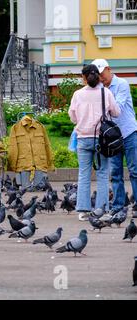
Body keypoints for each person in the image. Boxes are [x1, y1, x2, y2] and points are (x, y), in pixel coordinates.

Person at [68, 64, 120, 221]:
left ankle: (83, 210)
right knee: (103, 174)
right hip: (102, 140)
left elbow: (72, 117)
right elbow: (116, 112)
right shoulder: (106, 92)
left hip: (83, 139)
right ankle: (101, 209)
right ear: (98, 76)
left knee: (83, 174)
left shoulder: (77, 94)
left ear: (83, 78)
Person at [91, 59, 137, 214]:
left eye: (102, 73)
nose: (100, 77)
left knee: (134, 171)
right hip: (111, 138)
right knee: (115, 174)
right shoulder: (98, 88)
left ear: (108, 69)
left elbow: (118, 107)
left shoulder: (122, 84)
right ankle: (118, 207)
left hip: (129, 133)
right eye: (97, 75)